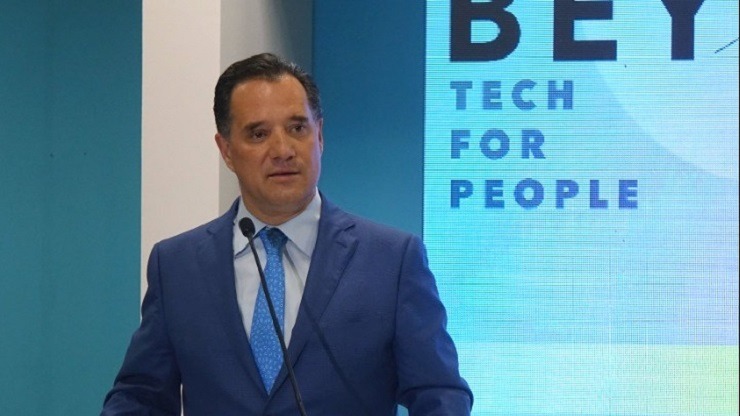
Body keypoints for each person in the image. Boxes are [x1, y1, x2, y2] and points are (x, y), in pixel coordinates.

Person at [101, 53, 472, 415]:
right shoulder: (176, 266)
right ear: (226, 150)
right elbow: (141, 397)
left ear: (319, 135)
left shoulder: (392, 260)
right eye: (258, 134)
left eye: (297, 128)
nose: (282, 150)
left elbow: (439, 394)